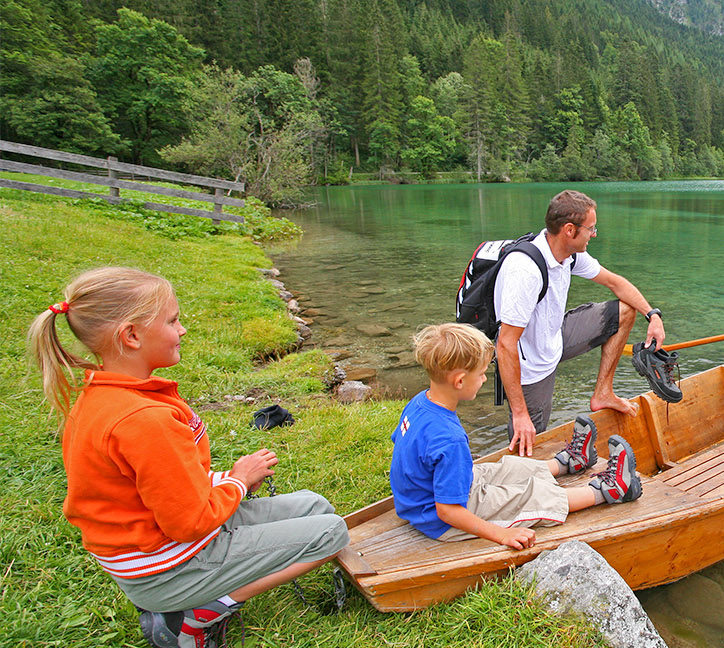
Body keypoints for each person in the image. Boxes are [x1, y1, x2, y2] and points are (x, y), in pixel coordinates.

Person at [27, 267, 348, 648]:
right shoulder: (142, 419)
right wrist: (239, 481)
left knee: (315, 505)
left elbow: (156, 484)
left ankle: (205, 590)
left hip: (164, 542)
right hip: (166, 568)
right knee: (332, 532)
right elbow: (190, 522)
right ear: (131, 335)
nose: (182, 330)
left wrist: (222, 481)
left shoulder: (115, 395)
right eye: (173, 321)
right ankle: (201, 611)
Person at [390, 323, 642, 549]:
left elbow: (403, 446)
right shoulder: (450, 438)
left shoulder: (419, 403)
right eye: (481, 374)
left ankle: (567, 464)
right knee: (529, 497)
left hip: (425, 498)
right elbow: (448, 511)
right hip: (439, 518)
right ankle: (611, 489)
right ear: (459, 381)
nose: (484, 378)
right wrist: (501, 535)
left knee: (507, 468)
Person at [495, 189, 667, 457]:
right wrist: (519, 413)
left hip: (554, 337)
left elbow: (615, 283)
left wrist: (653, 315)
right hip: (529, 363)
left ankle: (603, 393)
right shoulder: (525, 271)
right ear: (569, 230)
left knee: (625, 311)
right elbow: (505, 344)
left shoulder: (569, 254)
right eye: (591, 228)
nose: (594, 234)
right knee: (528, 441)